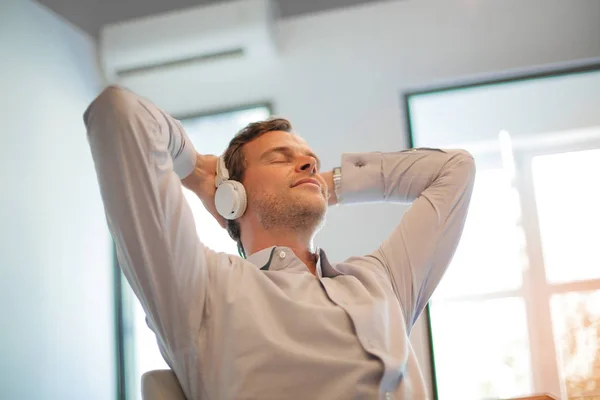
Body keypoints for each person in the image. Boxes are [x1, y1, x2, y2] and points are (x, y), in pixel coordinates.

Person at [84, 85, 475, 400]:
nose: (309, 165)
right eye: (279, 158)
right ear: (232, 194)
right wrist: (199, 171)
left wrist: (325, 184)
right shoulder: (200, 286)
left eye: (310, 161)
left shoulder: (381, 280)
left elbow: (455, 170)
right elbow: (119, 114)